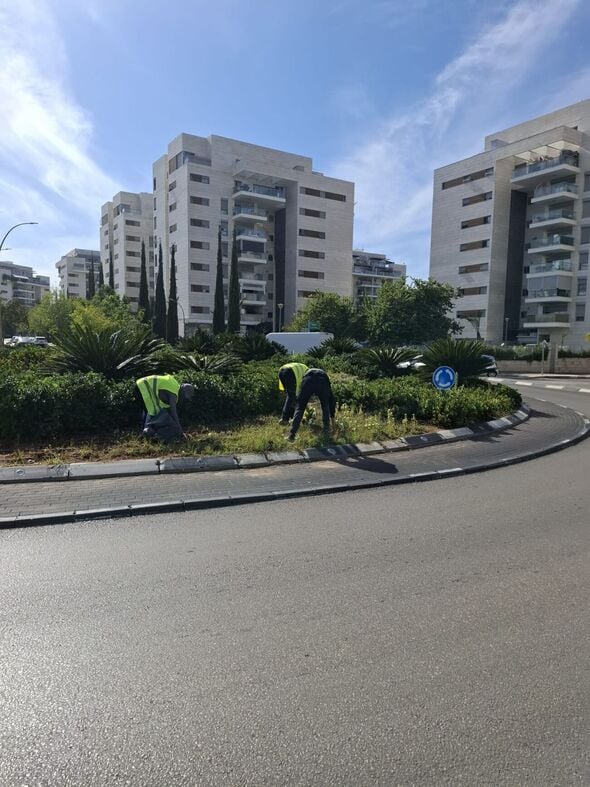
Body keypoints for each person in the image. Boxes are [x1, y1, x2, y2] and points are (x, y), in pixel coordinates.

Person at [278, 362, 336, 441]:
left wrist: (301, 402)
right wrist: (333, 425)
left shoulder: (305, 373)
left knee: (300, 407)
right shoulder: (326, 379)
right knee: (325, 406)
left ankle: (291, 435)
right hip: (322, 380)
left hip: (307, 379)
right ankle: (326, 434)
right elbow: (331, 402)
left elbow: (299, 397)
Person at [136, 374, 195, 442]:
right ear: (184, 393)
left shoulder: (175, 386)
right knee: (152, 411)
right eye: (185, 397)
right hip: (143, 387)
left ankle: (147, 432)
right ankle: (146, 432)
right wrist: (179, 428)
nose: (184, 399)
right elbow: (173, 412)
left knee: (155, 411)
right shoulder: (174, 394)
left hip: (141, 384)